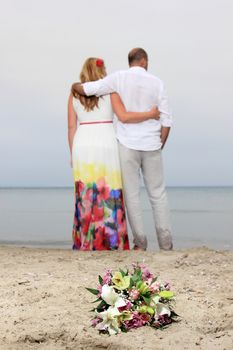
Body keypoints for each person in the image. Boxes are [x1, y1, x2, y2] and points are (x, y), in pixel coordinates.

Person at [72, 48, 173, 251]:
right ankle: (166, 244)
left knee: (132, 196)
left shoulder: (117, 78)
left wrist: (75, 85)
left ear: (130, 62)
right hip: (150, 144)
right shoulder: (157, 82)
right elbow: (167, 119)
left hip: (126, 145)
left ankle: (140, 243)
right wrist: (159, 142)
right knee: (158, 194)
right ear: (144, 61)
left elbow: (89, 89)